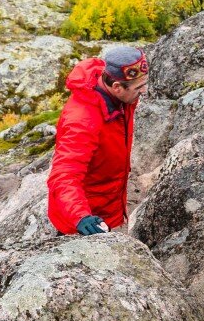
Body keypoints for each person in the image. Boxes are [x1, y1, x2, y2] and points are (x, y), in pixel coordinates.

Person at [47, 45, 148, 235]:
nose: (144, 91)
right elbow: (64, 175)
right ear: (117, 87)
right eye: (139, 87)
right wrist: (81, 217)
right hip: (84, 221)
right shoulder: (82, 121)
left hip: (108, 204)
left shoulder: (117, 90)